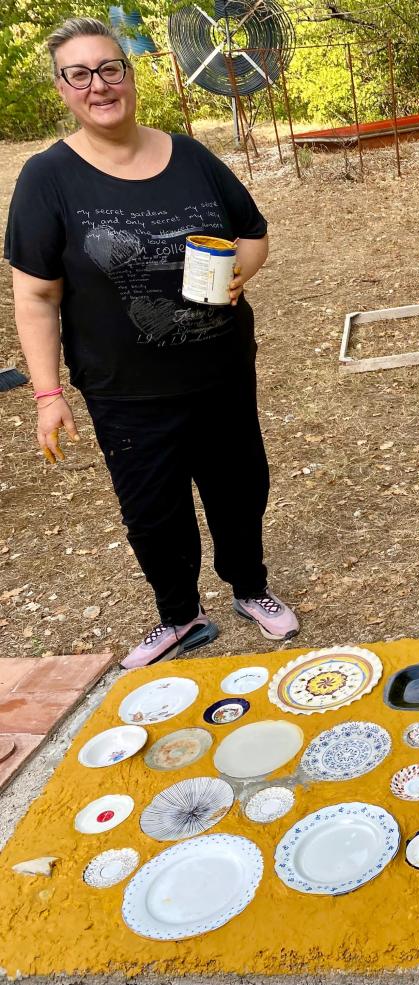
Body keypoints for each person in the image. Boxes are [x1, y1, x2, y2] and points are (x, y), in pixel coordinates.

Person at [4, 17, 300, 669]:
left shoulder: (190, 157)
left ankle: (250, 588)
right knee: (151, 511)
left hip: (220, 372)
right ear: (62, 89)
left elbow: (253, 234)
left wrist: (240, 276)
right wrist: (48, 394)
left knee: (239, 489)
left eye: (111, 68)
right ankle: (180, 615)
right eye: (78, 74)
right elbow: (36, 296)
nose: (98, 85)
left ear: (131, 76)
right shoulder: (47, 179)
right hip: (125, 390)